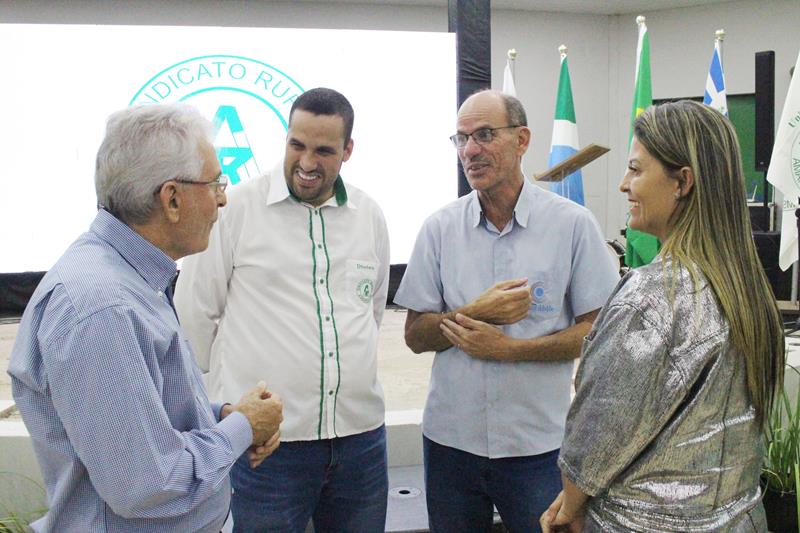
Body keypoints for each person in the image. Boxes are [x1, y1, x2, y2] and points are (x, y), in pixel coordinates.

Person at [7, 103, 284, 533]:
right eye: (215, 183)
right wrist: (242, 428)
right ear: (172, 198)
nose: (223, 198)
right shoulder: (103, 311)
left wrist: (221, 415)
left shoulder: (127, 281)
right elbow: (147, 485)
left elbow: (148, 412)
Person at [540, 100, 785, 532]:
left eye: (635, 170)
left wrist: (569, 506)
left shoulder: (654, 296)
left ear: (682, 182)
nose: (622, 184)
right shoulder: (748, 289)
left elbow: (599, 430)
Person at [393, 89, 619, 533]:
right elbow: (415, 335)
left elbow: (599, 333)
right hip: (450, 446)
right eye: (460, 139)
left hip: (538, 448)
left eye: (484, 135)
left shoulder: (572, 226)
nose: (470, 151)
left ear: (522, 139)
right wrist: (477, 312)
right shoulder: (439, 229)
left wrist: (509, 349)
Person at [174, 87, 390, 533]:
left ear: (348, 150)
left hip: (361, 443)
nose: (308, 163)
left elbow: (371, 312)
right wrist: (218, 415)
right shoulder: (235, 211)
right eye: (297, 145)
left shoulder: (368, 215)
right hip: (267, 449)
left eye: (324, 151)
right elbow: (194, 315)